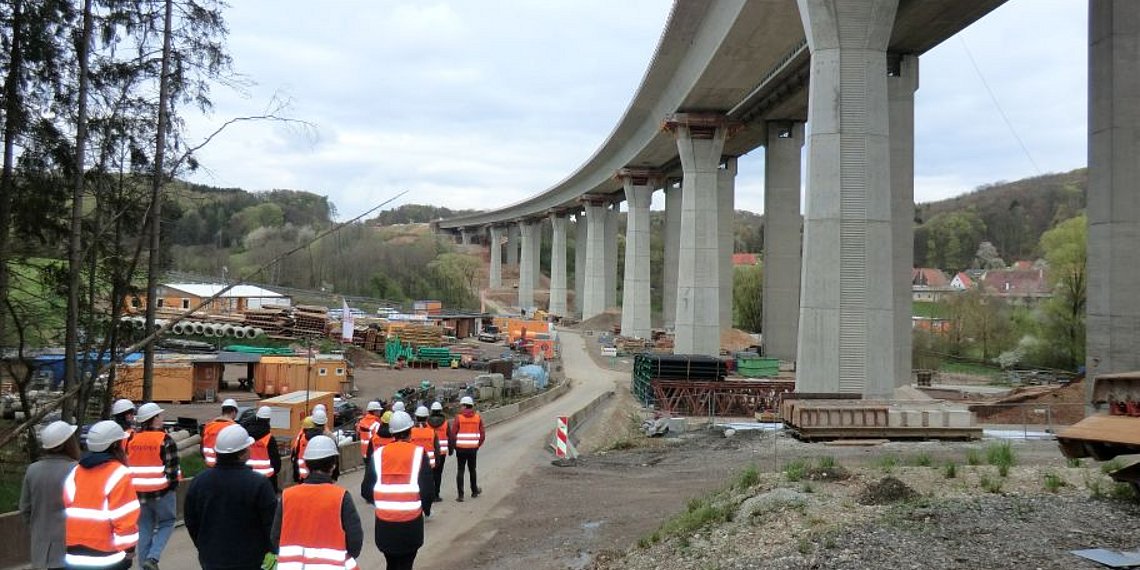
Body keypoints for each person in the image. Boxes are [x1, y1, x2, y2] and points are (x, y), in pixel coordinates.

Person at [184, 424, 276, 570]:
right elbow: (272, 525)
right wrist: (272, 551)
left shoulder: (199, 482)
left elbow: (191, 521)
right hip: (251, 560)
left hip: (211, 559)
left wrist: (203, 546)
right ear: (242, 453)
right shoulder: (259, 484)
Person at [271, 436, 362, 569]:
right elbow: (355, 542)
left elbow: (275, 537)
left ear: (307, 464)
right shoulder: (341, 497)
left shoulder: (287, 496)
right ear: (333, 465)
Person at [360, 411, 434, 570]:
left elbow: (366, 490)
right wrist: (424, 509)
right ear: (410, 430)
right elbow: (428, 492)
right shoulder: (419, 454)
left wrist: (384, 503)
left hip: (385, 526)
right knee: (406, 564)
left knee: (391, 564)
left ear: (392, 433)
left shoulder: (378, 455)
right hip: (411, 525)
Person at [63, 420, 139, 570]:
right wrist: (129, 551)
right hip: (106, 556)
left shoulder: (76, 472)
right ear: (116, 445)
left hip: (74, 553)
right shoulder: (119, 473)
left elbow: (67, 506)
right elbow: (125, 518)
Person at [126, 403, 180, 570]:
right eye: (160, 415)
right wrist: (172, 487)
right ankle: (153, 557)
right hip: (161, 493)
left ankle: (144, 566)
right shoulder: (165, 440)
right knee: (167, 522)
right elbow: (172, 469)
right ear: (154, 419)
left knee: (144, 529)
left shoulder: (132, 439)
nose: (162, 418)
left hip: (138, 494)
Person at [20, 421, 79, 570]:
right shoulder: (76, 470)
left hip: (40, 547)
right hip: (70, 546)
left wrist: (38, 528)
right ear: (68, 444)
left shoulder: (32, 469)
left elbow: (25, 508)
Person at [449, 396, 485, 502]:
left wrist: (455, 446)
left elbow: (453, 434)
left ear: (464, 406)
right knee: (472, 470)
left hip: (460, 449)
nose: (460, 408)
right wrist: (477, 445)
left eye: (461, 406)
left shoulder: (458, 418)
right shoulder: (477, 418)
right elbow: (482, 435)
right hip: (473, 449)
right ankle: (474, 491)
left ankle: (460, 495)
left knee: (460, 470)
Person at [244, 406, 281, 492]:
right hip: (267, 479)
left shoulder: (246, 435)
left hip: (249, 476)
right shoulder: (269, 438)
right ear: (268, 420)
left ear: (257, 417)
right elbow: (276, 462)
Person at [290, 409, 329, 482]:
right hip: (314, 474)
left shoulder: (302, 436)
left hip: (302, 474)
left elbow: (296, 453)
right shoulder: (322, 437)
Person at [199, 398, 239, 468]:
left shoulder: (208, 426)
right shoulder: (234, 427)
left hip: (210, 464)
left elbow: (202, 446)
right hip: (226, 465)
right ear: (234, 412)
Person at [426, 402, 449, 501]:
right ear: (440, 410)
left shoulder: (427, 423)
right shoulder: (445, 423)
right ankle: (436, 494)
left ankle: (430, 494)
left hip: (430, 453)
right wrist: (452, 448)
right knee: (438, 474)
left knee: (430, 474)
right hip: (442, 453)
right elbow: (450, 436)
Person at [409, 406, 440, 473]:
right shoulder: (432, 432)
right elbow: (437, 449)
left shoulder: (410, 432)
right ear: (427, 418)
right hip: (430, 465)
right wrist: (437, 463)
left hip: (414, 464)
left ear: (416, 417)